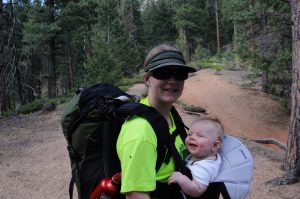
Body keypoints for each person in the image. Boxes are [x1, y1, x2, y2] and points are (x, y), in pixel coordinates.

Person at [116, 44, 196, 199]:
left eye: (179, 73)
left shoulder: (169, 113)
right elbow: (136, 195)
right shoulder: (141, 131)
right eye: (163, 73)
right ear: (147, 79)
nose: (172, 81)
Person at [167, 118, 224, 198]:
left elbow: (198, 190)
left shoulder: (205, 168)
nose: (192, 137)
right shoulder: (203, 156)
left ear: (215, 146)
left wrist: (181, 179)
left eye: (200, 135)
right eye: (189, 134)